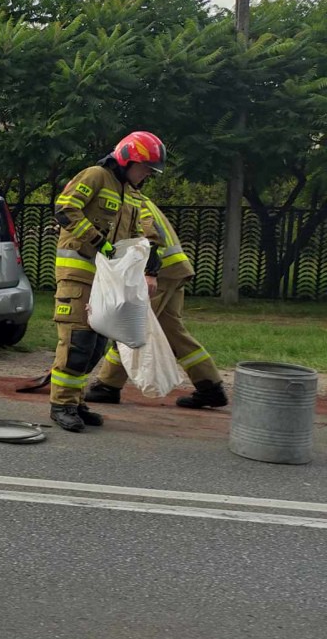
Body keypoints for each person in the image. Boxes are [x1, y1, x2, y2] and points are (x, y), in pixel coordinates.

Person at [48, 131, 164, 432]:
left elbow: (140, 229)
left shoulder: (131, 193)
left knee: (97, 344)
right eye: (145, 168)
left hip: (105, 280)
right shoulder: (96, 176)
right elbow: (65, 208)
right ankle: (61, 404)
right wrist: (99, 241)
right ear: (127, 159)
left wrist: (150, 254)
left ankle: (75, 401)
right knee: (77, 342)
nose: (148, 175)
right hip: (78, 274)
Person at [85, 194, 228, 409]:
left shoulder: (128, 200)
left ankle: (107, 385)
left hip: (158, 275)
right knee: (173, 331)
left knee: (129, 327)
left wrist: (150, 271)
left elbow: (151, 236)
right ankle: (210, 386)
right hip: (172, 271)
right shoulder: (136, 198)